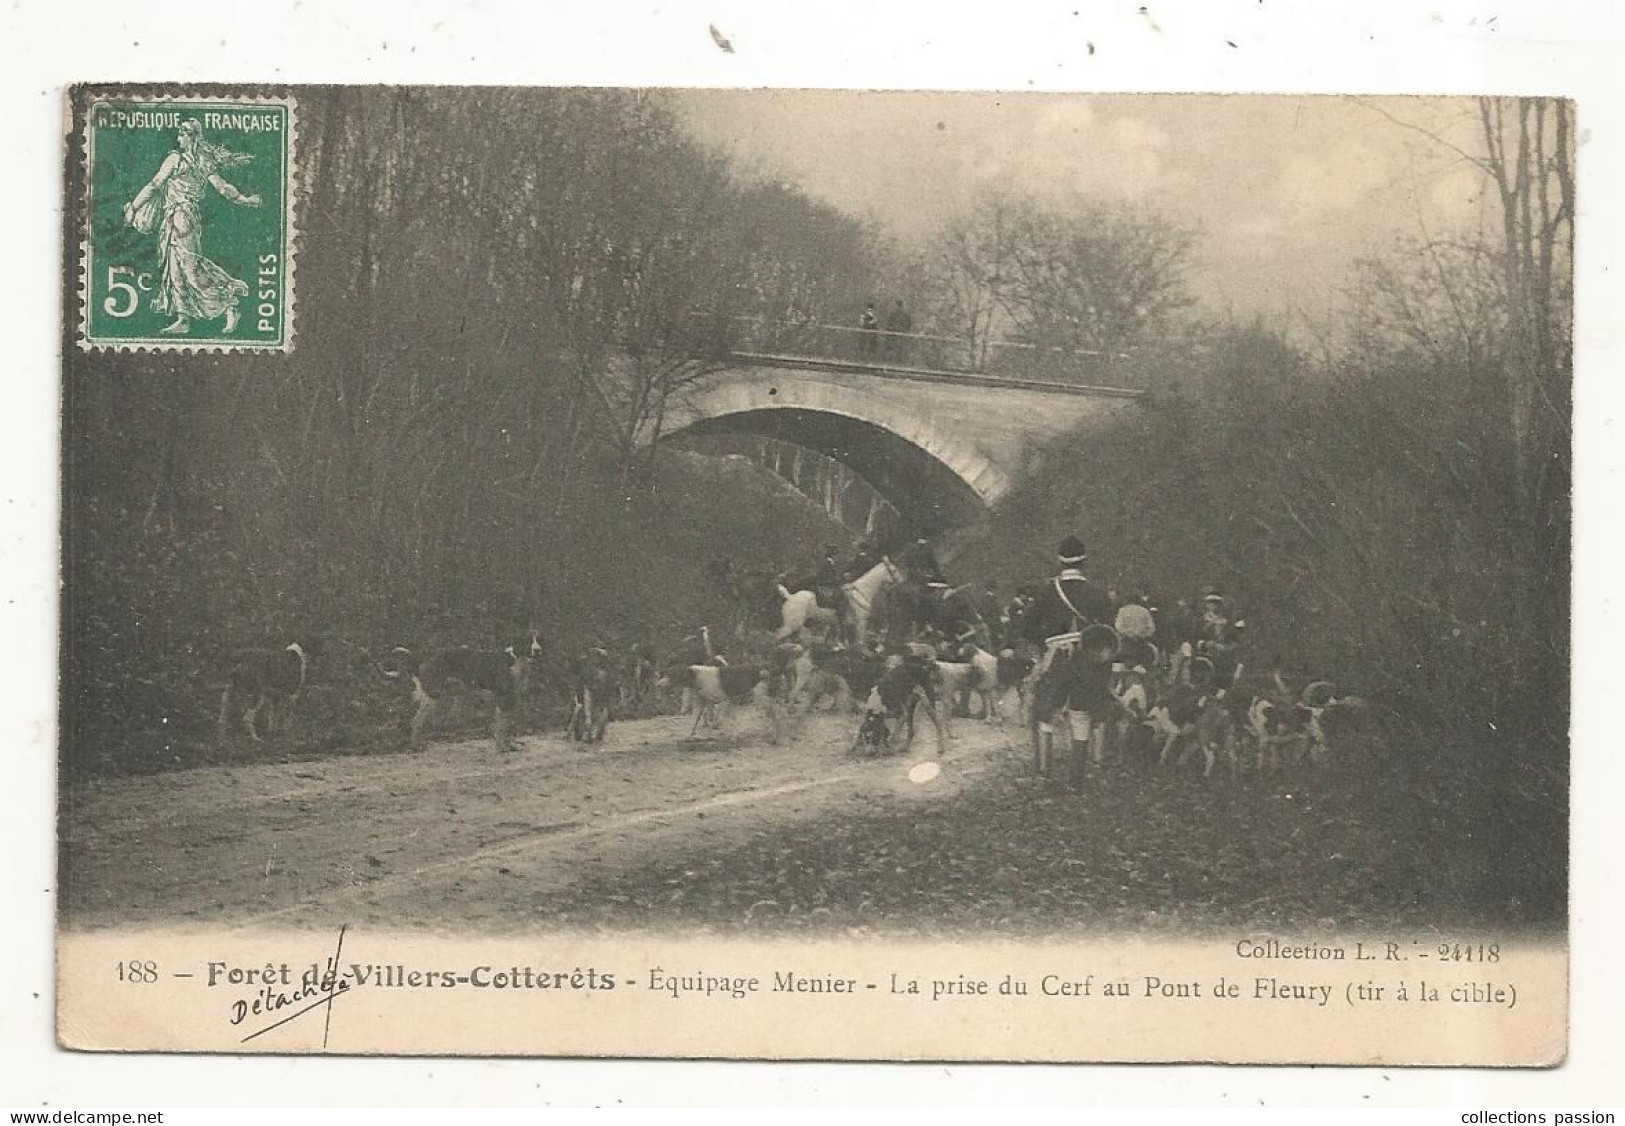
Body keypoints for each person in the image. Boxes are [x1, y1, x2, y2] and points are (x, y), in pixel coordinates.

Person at [123, 118, 262, 335]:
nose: (178, 138)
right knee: (177, 267)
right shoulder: (204, 161)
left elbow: (154, 185)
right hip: (184, 218)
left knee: (187, 267)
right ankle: (184, 318)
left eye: (181, 134)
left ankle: (228, 299)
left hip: (179, 217)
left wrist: (133, 207)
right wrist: (245, 200)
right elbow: (224, 188)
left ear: (190, 137)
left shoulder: (175, 159)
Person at [1020, 535, 1117, 788]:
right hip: (1089, 659)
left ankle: (1043, 774)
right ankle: (1075, 781)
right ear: (1084, 562)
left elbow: (1026, 626)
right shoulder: (1099, 594)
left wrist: (1048, 641)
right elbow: (1108, 634)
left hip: (1058, 658)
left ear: (1059, 562)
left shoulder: (1048, 591)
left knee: (1045, 713)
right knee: (1081, 716)